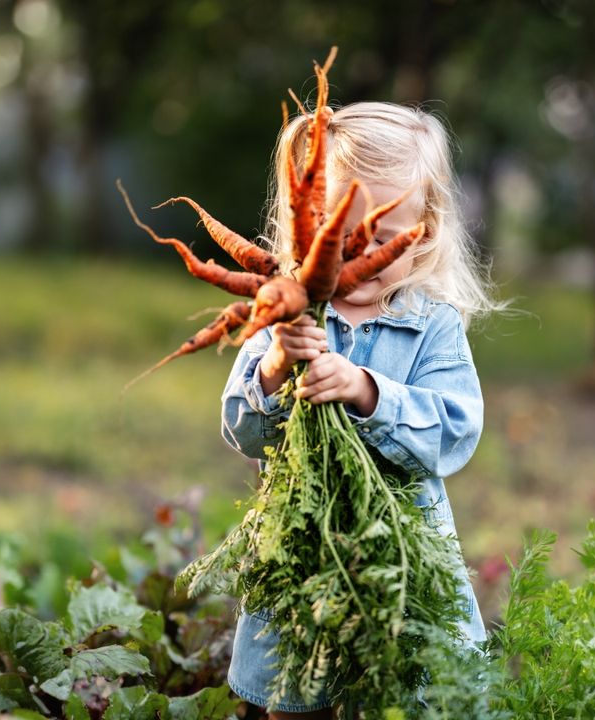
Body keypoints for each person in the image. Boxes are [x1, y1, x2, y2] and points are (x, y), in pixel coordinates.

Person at [220, 102, 504, 719]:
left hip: (402, 559)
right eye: (339, 235)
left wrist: (367, 390)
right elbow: (243, 432)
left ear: (422, 233)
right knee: (294, 689)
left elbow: (455, 431)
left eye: (380, 239)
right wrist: (273, 368)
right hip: (302, 550)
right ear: (307, 224)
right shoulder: (285, 310)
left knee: (403, 691)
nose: (357, 256)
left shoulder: (433, 326)